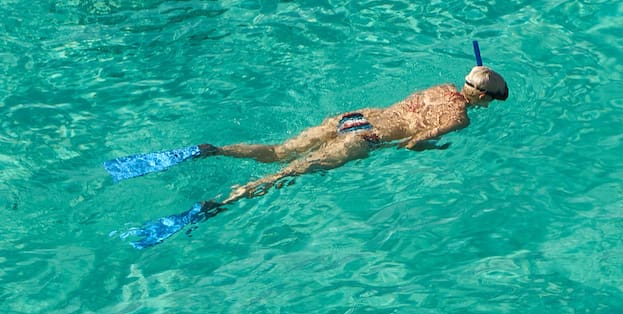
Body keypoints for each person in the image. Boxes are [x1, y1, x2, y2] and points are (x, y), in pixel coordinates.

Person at [206, 63, 509, 204]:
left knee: (278, 152)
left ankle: (214, 150)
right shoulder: (459, 117)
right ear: (483, 98)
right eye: (493, 100)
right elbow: (411, 144)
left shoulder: (440, 88)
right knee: (288, 173)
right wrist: (434, 148)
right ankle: (231, 198)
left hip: (356, 117)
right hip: (366, 138)